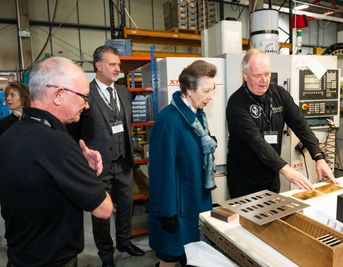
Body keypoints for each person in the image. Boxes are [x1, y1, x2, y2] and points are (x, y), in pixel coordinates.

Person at [0, 56, 113, 267]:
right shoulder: (56, 143)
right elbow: (103, 209)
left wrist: (78, 167)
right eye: (83, 97)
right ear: (59, 95)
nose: (86, 105)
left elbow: (40, 180)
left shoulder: (9, 135)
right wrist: (87, 174)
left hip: (19, 256)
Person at [67, 45, 144, 267]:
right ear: (98, 66)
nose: (117, 68)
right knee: (101, 212)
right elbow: (75, 132)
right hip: (98, 166)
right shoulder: (85, 93)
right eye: (112, 64)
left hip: (124, 162)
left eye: (118, 64)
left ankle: (124, 241)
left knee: (126, 206)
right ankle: (105, 252)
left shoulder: (123, 92)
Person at [226, 48, 337, 199]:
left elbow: (300, 124)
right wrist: (286, 170)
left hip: (270, 175)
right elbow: (256, 141)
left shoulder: (279, 94)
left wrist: (318, 156)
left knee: (271, 218)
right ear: (245, 75)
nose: (264, 80)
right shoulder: (236, 104)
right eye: (257, 75)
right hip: (244, 179)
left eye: (267, 74)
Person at [148, 60, 218, 267]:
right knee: (170, 257)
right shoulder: (168, 120)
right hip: (177, 208)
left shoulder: (198, 115)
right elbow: (161, 171)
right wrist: (165, 212)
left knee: (195, 255)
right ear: (188, 90)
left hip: (196, 199)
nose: (211, 96)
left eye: (212, 90)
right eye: (206, 91)